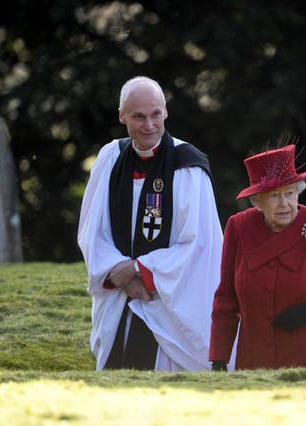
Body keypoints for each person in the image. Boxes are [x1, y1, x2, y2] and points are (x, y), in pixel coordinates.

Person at [77, 76, 223, 371]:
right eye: (138, 117)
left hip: (166, 303)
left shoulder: (188, 165)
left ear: (165, 112)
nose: (149, 125)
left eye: (156, 114)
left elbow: (200, 243)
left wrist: (140, 270)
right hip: (119, 296)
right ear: (122, 117)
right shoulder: (110, 159)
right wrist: (118, 273)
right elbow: (92, 230)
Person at [208, 143, 306, 370]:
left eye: (290, 194)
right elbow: (226, 299)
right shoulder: (239, 227)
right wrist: (219, 357)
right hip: (253, 364)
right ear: (258, 201)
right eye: (274, 196)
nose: (284, 204)